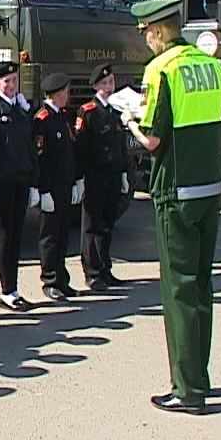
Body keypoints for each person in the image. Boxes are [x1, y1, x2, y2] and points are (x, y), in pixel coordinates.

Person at [123, 0, 221, 414]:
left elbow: (153, 141)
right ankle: (199, 377)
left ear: (156, 32)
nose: (147, 43)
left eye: (147, 35)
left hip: (176, 192)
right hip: (211, 188)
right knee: (202, 288)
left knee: (179, 291)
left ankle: (188, 391)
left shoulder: (161, 70)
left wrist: (131, 122)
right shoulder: (212, 65)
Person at [0, 62, 39, 312]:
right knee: (5, 235)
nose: (12, 85)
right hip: (4, 183)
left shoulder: (22, 110)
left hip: (22, 180)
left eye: (14, 80)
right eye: (6, 81)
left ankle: (14, 289)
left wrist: (35, 182)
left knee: (17, 236)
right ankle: (7, 291)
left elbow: (30, 148)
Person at [75, 63, 130, 291]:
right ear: (96, 86)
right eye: (105, 83)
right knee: (92, 225)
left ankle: (105, 268)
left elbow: (122, 145)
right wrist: (80, 179)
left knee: (107, 224)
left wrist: (125, 173)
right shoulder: (88, 112)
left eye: (111, 82)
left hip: (114, 174)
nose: (109, 87)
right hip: (95, 175)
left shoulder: (117, 111)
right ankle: (92, 271)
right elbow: (81, 148)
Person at [34, 73, 82, 301]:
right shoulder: (42, 120)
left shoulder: (61, 117)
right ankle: (50, 279)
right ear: (59, 93)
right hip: (51, 189)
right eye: (66, 92)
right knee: (50, 237)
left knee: (63, 235)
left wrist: (74, 182)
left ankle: (62, 280)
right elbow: (41, 159)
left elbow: (69, 154)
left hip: (64, 186)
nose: (68, 96)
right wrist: (43, 191)